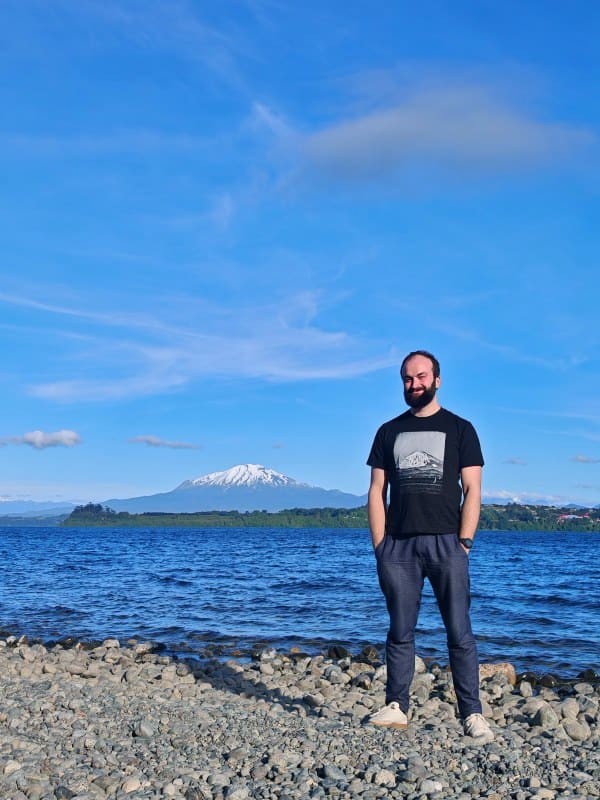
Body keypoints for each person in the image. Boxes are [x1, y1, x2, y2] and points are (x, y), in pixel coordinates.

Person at [366, 350, 493, 740]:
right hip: (399, 547)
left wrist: (465, 543)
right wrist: (380, 546)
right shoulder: (388, 431)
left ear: (437, 380)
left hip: (447, 544)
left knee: (459, 630)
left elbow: (472, 489)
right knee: (400, 630)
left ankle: (471, 713)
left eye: (421, 377)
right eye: (407, 378)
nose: (414, 384)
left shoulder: (460, 429)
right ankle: (396, 706)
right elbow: (376, 491)